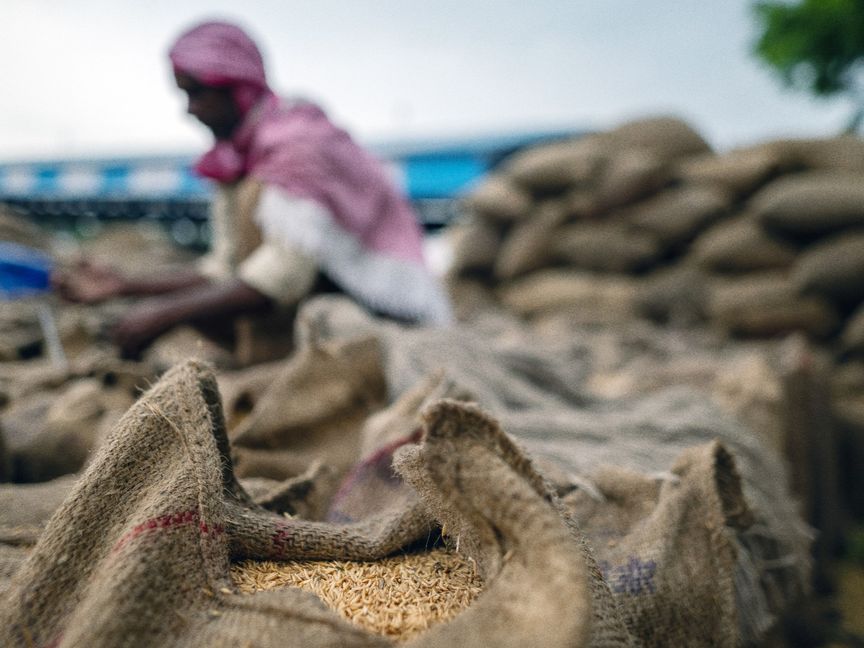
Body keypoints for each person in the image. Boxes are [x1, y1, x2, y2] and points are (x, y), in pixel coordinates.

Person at [54, 19, 452, 357]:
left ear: (234, 85)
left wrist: (164, 314)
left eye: (197, 92)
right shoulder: (239, 161)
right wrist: (125, 285)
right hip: (311, 309)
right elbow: (226, 270)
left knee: (332, 326)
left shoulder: (299, 146)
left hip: (386, 314)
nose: (189, 109)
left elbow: (282, 277)